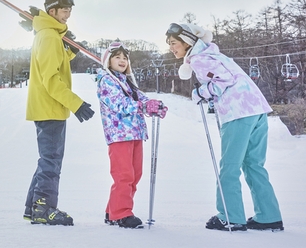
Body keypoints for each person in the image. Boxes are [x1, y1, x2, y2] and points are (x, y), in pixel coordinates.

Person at [165, 23, 283, 232]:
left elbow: (223, 80)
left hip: (238, 112)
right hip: (257, 109)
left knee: (229, 166)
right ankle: (269, 216)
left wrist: (200, 93)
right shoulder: (214, 55)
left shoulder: (199, 59)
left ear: (187, 42)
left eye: (174, 43)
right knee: (254, 164)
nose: (171, 48)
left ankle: (230, 216)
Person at [23, 0, 95, 226]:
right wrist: (77, 103)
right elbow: (51, 79)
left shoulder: (48, 35)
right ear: (52, 10)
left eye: (70, 9)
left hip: (47, 107)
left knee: (47, 159)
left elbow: (55, 63)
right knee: (51, 160)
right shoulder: (49, 37)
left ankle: (33, 207)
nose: (68, 14)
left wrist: (70, 53)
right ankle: (44, 209)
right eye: (64, 9)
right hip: (50, 106)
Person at [96, 42, 167, 229]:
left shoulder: (127, 81)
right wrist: (143, 107)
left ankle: (112, 211)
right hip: (119, 134)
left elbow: (140, 98)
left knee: (135, 175)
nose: (122, 60)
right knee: (124, 175)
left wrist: (153, 106)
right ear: (108, 61)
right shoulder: (107, 80)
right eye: (117, 57)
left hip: (135, 133)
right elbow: (119, 104)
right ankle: (122, 213)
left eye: (125, 58)